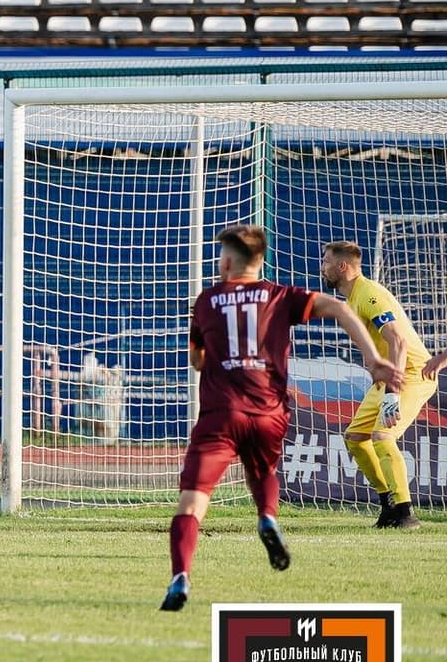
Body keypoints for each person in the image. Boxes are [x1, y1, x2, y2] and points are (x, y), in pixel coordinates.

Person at [160, 225, 401, 612]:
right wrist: (372, 360)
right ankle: (268, 517)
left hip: (220, 414)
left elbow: (197, 362)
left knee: (191, 504)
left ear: (225, 261)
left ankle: (181, 577)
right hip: (268, 412)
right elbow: (339, 308)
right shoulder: (280, 296)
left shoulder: (206, 301)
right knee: (263, 473)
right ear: (259, 261)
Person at [319, 240, 437, 528]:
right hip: (390, 375)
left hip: (410, 373)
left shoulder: (369, 295)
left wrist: (393, 394)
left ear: (342, 266)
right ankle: (389, 507)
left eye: (325, 261)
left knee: (383, 437)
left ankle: (407, 513)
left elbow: (397, 341)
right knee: (355, 437)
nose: (322, 267)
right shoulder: (353, 297)